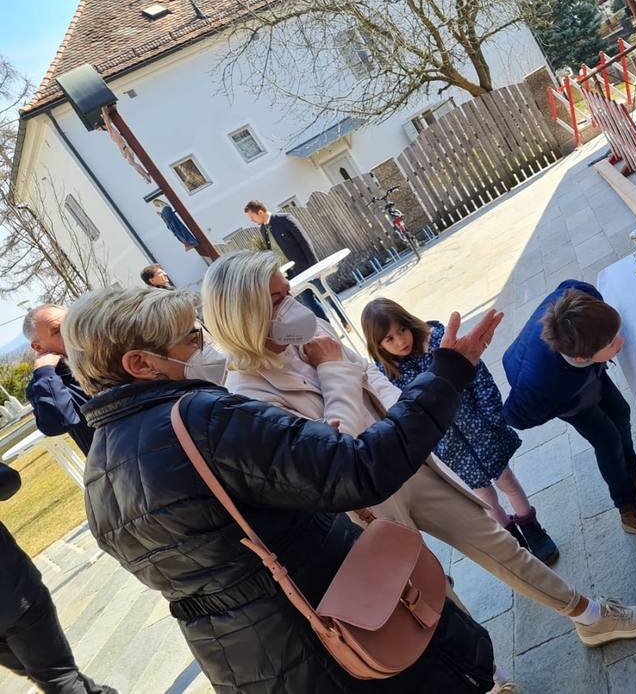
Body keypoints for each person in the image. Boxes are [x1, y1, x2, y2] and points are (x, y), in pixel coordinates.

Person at [202, 251, 636, 661]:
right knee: (425, 587)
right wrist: (332, 369)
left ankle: (589, 615)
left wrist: (407, 423)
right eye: (277, 300)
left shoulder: (310, 333)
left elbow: (372, 378)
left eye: (288, 293)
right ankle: (482, 675)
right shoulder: (248, 393)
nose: (292, 307)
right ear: (244, 315)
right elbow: (333, 447)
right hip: (367, 501)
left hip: (408, 462)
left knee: (495, 542)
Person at [61, 284, 500, 694]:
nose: (204, 345)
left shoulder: (97, 479)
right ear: (141, 363)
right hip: (349, 629)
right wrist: (446, 375)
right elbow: (356, 469)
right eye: (191, 337)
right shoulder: (200, 418)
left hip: (254, 668)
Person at [361, 298, 558, 565]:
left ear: (409, 322)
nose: (400, 341)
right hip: (450, 450)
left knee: (507, 480)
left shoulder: (439, 342)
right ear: (378, 345)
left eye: (402, 330)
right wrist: (433, 448)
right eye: (389, 339)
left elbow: (479, 378)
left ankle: (532, 528)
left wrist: (492, 417)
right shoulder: (388, 375)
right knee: (485, 497)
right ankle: (513, 541)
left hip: (482, 429)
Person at [503, 280, 636, 540]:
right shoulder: (545, 384)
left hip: (584, 371)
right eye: (612, 344)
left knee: (620, 411)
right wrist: (560, 405)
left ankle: (632, 476)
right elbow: (516, 416)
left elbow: (569, 285)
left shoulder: (582, 297)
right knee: (607, 439)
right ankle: (628, 509)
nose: (621, 341)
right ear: (581, 358)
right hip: (566, 395)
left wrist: (603, 345)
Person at [0, 461, 117, 694]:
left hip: (14, 597)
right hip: (15, 598)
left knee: (46, 672)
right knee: (57, 677)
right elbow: (7, 479)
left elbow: (8, 480)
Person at [243, 199, 351, 332]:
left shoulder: (284, 219)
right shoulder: (263, 230)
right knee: (309, 303)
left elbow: (304, 241)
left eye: (252, 217)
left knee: (326, 294)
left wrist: (315, 267)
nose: (251, 221)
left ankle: (345, 320)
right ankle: (328, 330)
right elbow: (272, 252)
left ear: (260, 212)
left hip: (307, 267)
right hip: (291, 273)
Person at [23, 305, 93, 456]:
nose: (70, 332)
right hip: (119, 461)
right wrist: (45, 373)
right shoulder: (44, 383)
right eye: (57, 331)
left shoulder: (104, 352)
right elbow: (58, 423)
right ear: (38, 347)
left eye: (70, 323)